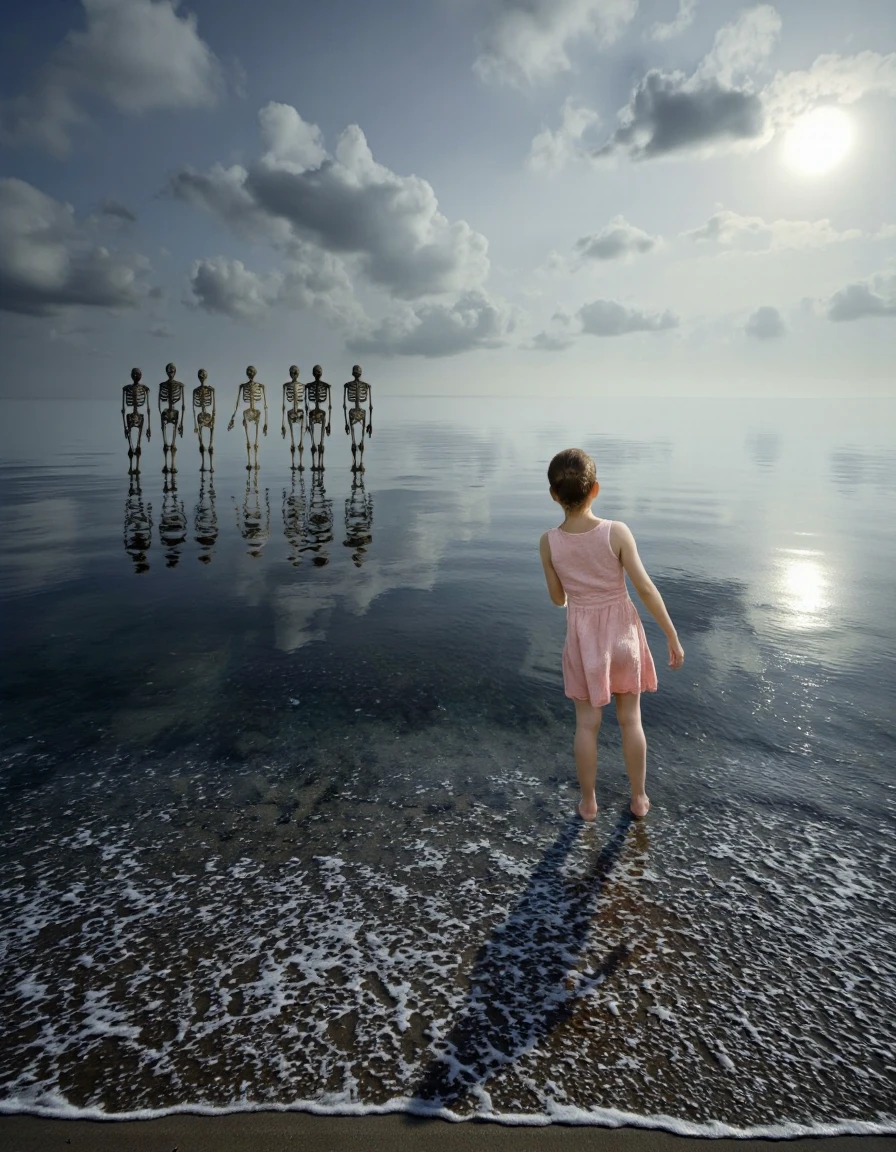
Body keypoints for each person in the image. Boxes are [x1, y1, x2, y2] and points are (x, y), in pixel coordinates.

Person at [539, 448, 684, 822]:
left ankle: (588, 804)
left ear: (554, 495)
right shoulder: (615, 532)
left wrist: (570, 578)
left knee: (587, 725)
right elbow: (646, 589)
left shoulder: (549, 542)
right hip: (623, 637)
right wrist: (671, 635)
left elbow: (558, 599)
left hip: (585, 641)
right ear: (595, 490)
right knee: (630, 721)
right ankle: (638, 798)